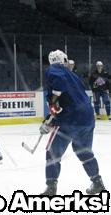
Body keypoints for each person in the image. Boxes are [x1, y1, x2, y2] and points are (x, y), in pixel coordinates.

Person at [39, 50, 106, 196]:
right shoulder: (73, 75)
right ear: (64, 59)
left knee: (53, 153)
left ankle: (51, 187)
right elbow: (70, 100)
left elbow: (57, 97)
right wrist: (51, 118)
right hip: (87, 119)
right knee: (84, 152)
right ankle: (97, 182)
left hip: (70, 120)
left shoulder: (54, 69)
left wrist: (54, 104)